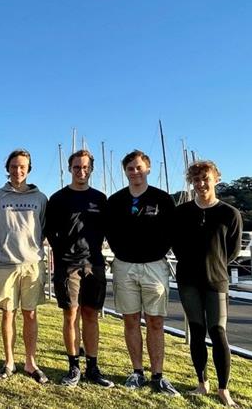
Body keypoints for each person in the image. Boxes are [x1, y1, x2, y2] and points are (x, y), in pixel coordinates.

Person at [106, 150, 179, 395]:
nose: (135, 172)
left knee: (156, 321)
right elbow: (110, 232)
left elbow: (172, 232)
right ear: (125, 172)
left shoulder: (163, 199)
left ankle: (158, 374)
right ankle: (137, 371)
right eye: (130, 169)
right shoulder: (115, 201)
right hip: (125, 266)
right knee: (131, 320)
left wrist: (155, 252)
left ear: (147, 169)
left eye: (139, 168)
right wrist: (123, 253)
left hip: (154, 266)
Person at [173, 161, 242, 407]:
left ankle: (224, 389)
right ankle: (202, 383)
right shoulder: (181, 213)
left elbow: (232, 251)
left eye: (205, 178)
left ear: (216, 179)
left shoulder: (229, 213)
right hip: (188, 280)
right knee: (197, 330)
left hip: (216, 280)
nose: (201, 184)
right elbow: (176, 245)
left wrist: (214, 264)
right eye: (196, 180)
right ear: (191, 182)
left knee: (218, 332)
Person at [45, 149, 114, 387]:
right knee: (71, 315)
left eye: (85, 167)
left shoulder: (100, 198)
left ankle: (93, 368)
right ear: (69, 169)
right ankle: (74, 367)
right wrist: (61, 251)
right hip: (68, 265)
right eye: (77, 167)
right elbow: (48, 230)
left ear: (91, 169)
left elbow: (108, 230)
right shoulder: (58, 199)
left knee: (91, 315)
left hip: (94, 263)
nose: (81, 171)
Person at [0, 149, 49, 384]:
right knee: (8, 314)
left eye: (22, 166)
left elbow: (42, 228)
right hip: (5, 264)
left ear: (29, 168)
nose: (18, 170)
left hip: (32, 264)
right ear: (8, 168)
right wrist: (2, 248)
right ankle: (9, 361)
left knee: (30, 314)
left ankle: (30, 362)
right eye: (14, 166)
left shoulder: (40, 198)